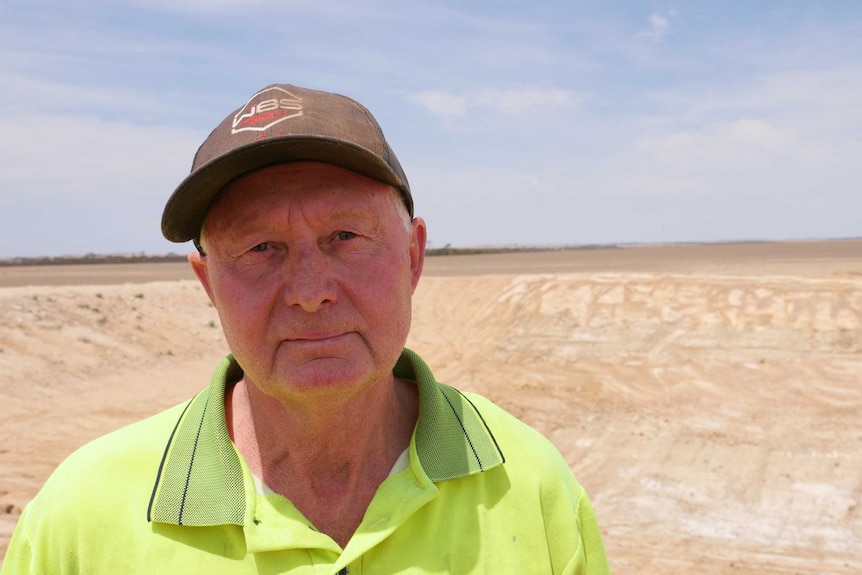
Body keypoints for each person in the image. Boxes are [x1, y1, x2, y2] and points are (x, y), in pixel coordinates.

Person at [1, 84, 610, 574]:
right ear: (208, 283)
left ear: (413, 258)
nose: (310, 291)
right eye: (261, 247)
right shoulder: (79, 519)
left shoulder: (526, 483)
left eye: (345, 237)